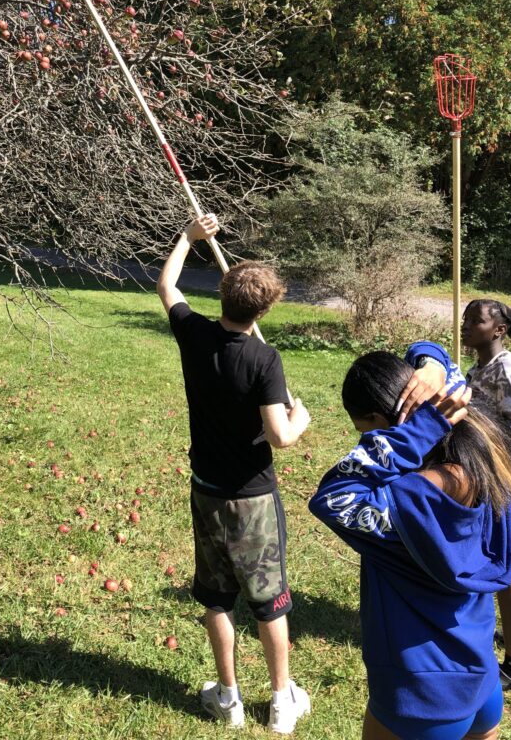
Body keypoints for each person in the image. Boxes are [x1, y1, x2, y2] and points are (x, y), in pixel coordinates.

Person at [309, 348, 511, 740]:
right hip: (482, 680)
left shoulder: (409, 500)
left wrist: (417, 431)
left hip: (421, 697)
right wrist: (434, 367)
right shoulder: (486, 466)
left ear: (383, 426)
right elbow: (444, 366)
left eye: (366, 431)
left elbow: (331, 496)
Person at [156, 213, 311, 733]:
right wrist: (300, 417)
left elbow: (167, 284)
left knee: (217, 597)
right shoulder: (265, 359)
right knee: (269, 602)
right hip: (253, 500)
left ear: (222, 297)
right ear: (264, 309)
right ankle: (281, 700)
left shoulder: (194, 334)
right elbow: (280, 436)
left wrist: (189, 238)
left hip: (207, 492)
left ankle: (228, 699)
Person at [461, 299, 511, 690]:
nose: (465, 325)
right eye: (465, 319)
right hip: (490, 477)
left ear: (498, 329)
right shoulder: (475, 370)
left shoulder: (508, 369)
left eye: (475, 320)